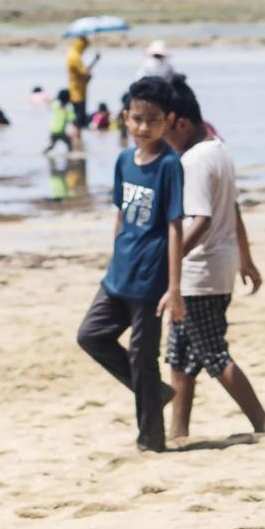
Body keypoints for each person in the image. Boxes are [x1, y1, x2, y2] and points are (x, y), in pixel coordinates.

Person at [76, 77, 185, 452]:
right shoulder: (124, 160)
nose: (143, 127)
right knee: (91, 335)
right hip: (119, 274)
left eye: (152, 120)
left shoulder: (169, 165)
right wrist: (113, 257)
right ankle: (155, 393)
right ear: (125, 117)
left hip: (151, 280)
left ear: (167, 120)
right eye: (137, 118)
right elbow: (121, 215)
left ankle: (151, 441)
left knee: (143, 357)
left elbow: (174, 227)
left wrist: (174, 289)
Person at [163, 78, 265, 440]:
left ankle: (263, 425)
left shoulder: (193, 160)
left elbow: (201, 221)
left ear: (180, 123)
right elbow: (233, 208)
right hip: (220, 264)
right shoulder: (218, 148)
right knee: (179, 356)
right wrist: (247, 257)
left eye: (162, 128)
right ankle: (178, 432)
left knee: (212, 353)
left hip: (200, 274)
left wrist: (167, 266)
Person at [66, 36, 100, 128]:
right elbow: (85, 73)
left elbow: (84, 72)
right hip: (77, 92)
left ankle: (79, 140)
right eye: (85, 47)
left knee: (81, 119)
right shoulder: (75, 57)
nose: (85, 49)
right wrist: (89, 76)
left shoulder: (75, 55)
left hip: (80, 90)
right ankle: (77, 140)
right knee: (79, 120)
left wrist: (94, 61)